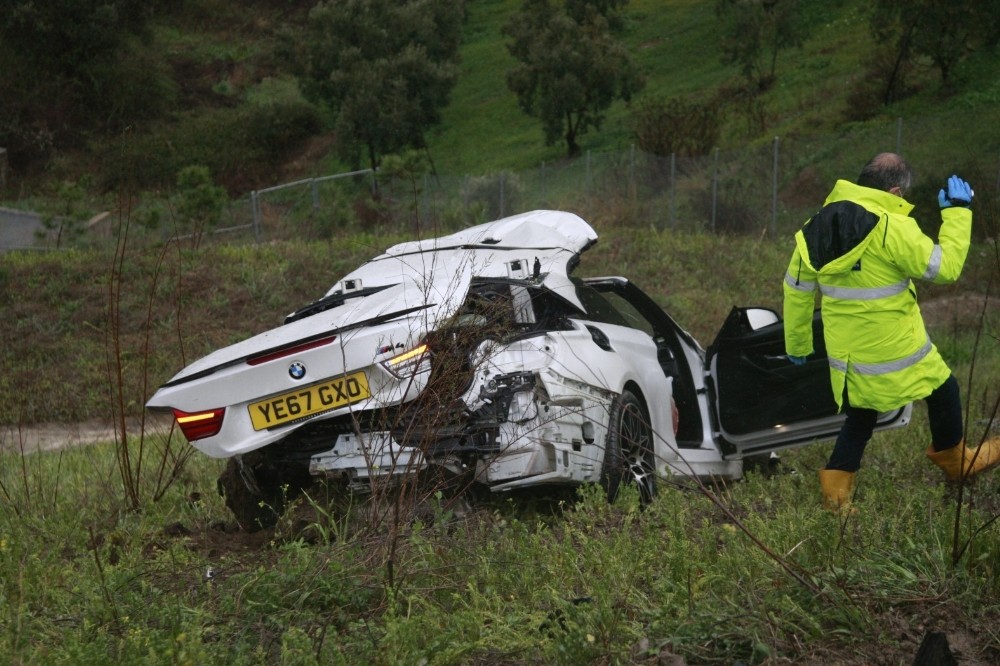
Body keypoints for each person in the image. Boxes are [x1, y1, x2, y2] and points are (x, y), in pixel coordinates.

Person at [782, 152, 1000, 510]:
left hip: (849, 358)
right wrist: (957, 212)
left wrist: (798, 343)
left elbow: (796, 289)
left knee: (860, 418)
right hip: (899, 350)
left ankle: (836, 499)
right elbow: (945, 268)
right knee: (944, 389)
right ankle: (958, 463)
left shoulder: (815, 226)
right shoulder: (892, 226)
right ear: (895, 191)